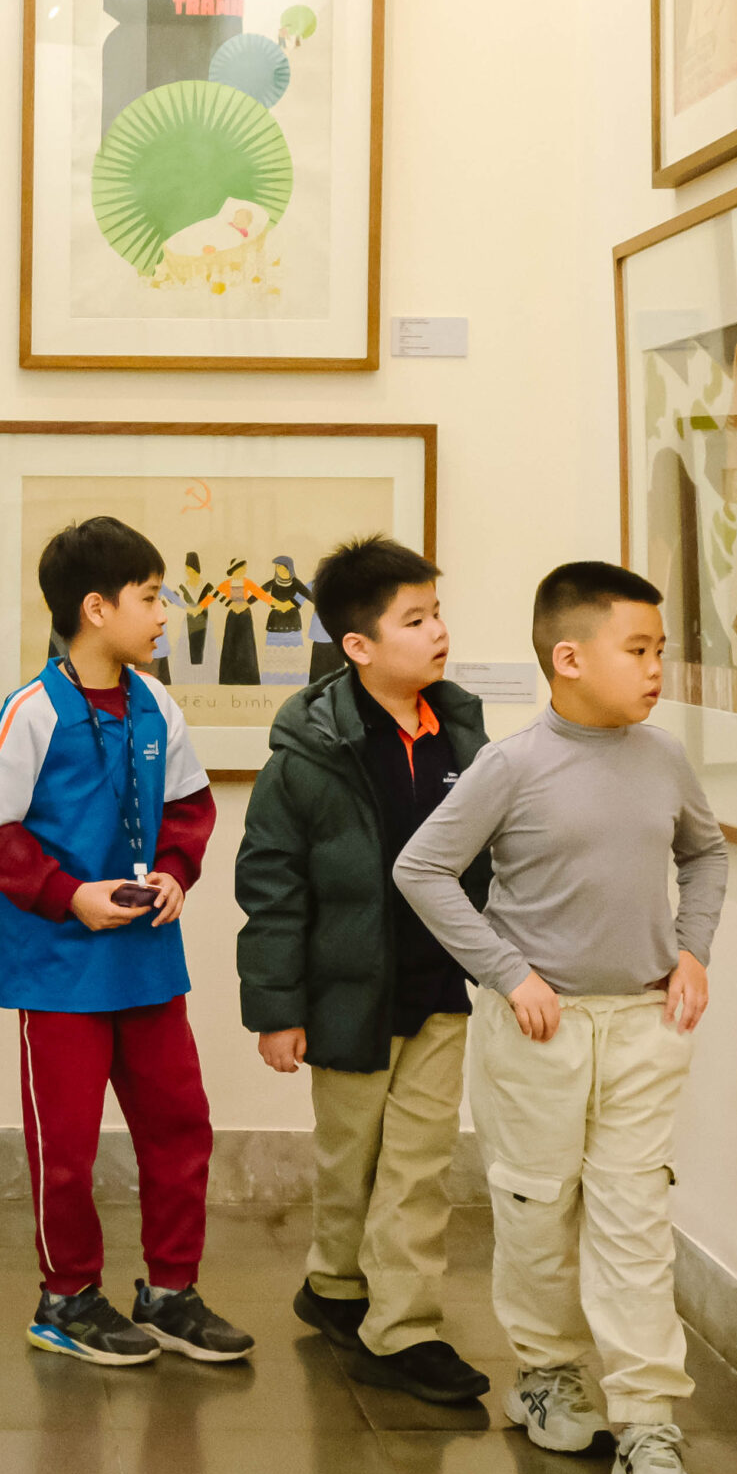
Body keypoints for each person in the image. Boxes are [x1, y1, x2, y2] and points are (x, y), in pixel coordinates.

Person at [393, 561, 728, 1474]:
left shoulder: (663, 757)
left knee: (634, 1217)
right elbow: (423, 869)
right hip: (538, 1033)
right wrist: (509, 972)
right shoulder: (512, 764)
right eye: (639, 649)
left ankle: (649, 1421)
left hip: (642, 1027)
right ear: (569, 658)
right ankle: (546, 1371)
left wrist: (692, 949)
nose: (657, 667)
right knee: (538, 1210)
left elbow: (705, 852)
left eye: (661, 649)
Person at [0, 515, 251, 1366]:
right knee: (66, 1147)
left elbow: (189, 806)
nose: (165, 614)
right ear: (96, 608)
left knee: (180, 1124)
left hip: (148, 962)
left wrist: (176, 871)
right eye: (151, 597)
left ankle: (170, 1290)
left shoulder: (158, 704)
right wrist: (70, 895)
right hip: (59, 971)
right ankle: (67, 1297)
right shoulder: (30, 711)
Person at [238, 537, 491, 1405]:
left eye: (437, 613)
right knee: (352, 1159)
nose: (438, 632)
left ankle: (404, 1327)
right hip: (347, 996)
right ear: (358, 645)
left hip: (439, 990)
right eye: (414, 620)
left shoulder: (463, 734)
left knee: (418, 1164)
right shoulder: (307, 755)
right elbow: (272, 886)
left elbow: (489, 861)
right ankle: (335, 1286)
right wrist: (276, 1009)